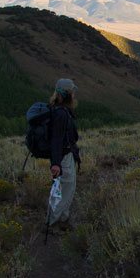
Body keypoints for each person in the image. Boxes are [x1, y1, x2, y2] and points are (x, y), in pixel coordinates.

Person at [48, 78, 80, 227]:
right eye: (72, 91)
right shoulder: (61, 113)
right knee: (63, 190)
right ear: (66, 94)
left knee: (66, 189)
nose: (74, 94)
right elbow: (56, 140)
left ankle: (62, 219)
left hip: (65, 157)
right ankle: (53, 222)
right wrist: (55, 164)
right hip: (63, 158)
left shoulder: (59, 110)